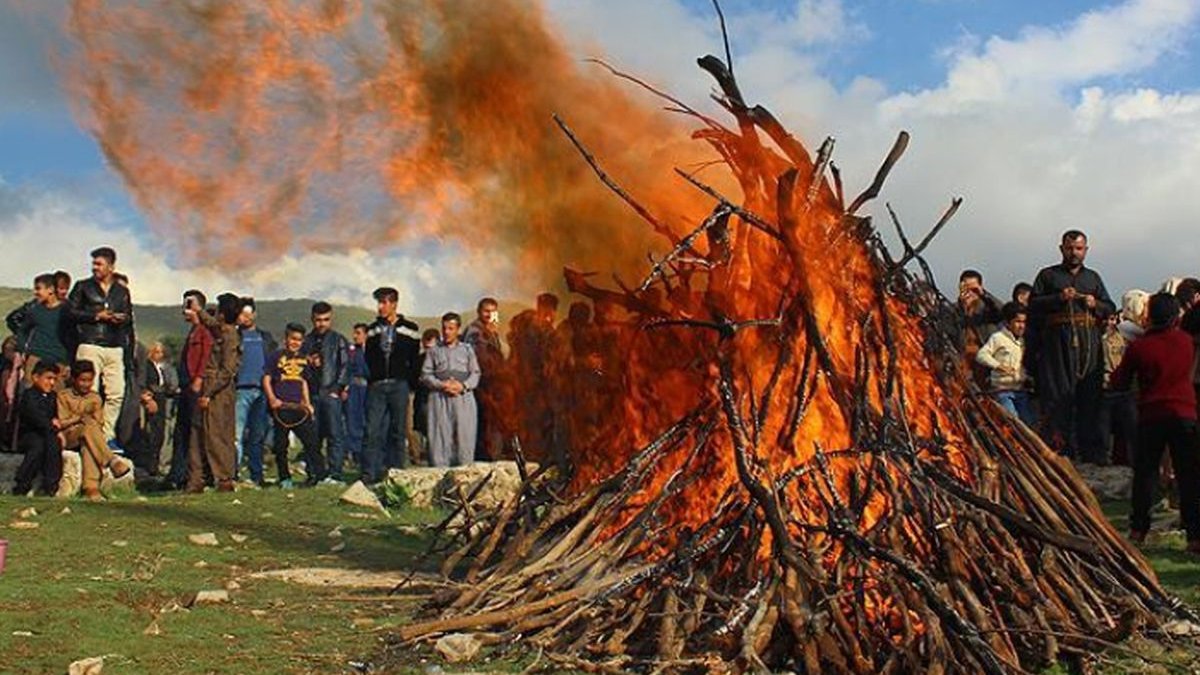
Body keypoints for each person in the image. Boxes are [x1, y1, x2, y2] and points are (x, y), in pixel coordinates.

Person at [1111, 293, 1200, 553]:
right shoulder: (1185, 341)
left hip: (1151, 415)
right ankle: (1195, 537)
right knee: (1188, 475)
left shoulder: (1140, 347)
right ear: (1175, 316)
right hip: (1184, 413)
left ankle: (1139, 530)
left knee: (1146, 474)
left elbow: (1120, 381)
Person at [1028, 230, 1115, 462]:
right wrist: (1058, 298)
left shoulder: (1093, 278)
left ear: (1085, 250)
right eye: (1070, 248)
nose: (1074, 253)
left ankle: (1090, 453)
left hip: (1088, 345)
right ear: (1061, 249)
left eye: (1078, 248)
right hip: (1057, 346)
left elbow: (1110, 306)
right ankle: (1059, 452)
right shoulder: (1048, 276)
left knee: (1089, 398)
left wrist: (1095, 303)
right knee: (1058, 398)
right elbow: (1033, 305)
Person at [67, 247, 134, 443]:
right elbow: (70, 312)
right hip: (90, 343)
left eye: (99, 264)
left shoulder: (122, 292)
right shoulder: (83, 286)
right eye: (93, 263)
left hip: (114, 347)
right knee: (89, 391)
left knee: (116, 393)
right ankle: (87, 433)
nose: (94, 267)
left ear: (111, 266)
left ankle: (106, 435)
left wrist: (120, 322)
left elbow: (130, 321)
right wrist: (96, 316)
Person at [361, 287, 420, 484]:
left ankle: (396, 473)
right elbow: (367, 358)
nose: (380, 307)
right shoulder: (372, 330)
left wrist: (409, 383)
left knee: (398, 430)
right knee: (372, 430)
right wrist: (372, 379)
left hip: (399, 385)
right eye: (379, 302)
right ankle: (370, 473)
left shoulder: (410, 328)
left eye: (384, 302)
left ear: (394, 304)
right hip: (377, 386)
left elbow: (414, 361)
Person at [184, 293, 242, 494]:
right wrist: (198, 309)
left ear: (224, 315)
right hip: (213, 388)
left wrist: (208, 393)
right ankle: (197, 479)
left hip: (217, 390)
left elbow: (227, 370)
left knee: (216, 434)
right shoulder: (223, 330)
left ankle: (224, 478)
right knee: (199, 433)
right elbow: (210, 322)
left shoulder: (229, 336)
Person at [57, 360, 133, 501]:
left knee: (88, 442)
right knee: (87, 428)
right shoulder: (63, 396)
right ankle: (111, 460)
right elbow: (61, 422)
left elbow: (99, 423)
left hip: (89, 435)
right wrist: (78, 418)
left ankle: (91, 488)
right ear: (74, 379)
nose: (86, 384)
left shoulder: (95, 398)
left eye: (89, 381)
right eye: (82, 380)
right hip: (69, 435)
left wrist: (88, 420)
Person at [421, 313, 481, 467]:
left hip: (463, 397)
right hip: (439, 397)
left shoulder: (467, 350)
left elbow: (476, 373)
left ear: (458, 330)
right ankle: (440, 474)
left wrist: (463, 386)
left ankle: (465, 473)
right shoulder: (434, 351)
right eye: (444, 328)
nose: (447, 332)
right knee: (439, 437)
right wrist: (442, 385)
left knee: (465, 436)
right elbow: (425, 374)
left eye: (451, 328)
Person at [264, 323, 320, 488]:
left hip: (298, 409)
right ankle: (284, 477)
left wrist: (307, 404)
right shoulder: (275, 356)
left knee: (311, 442)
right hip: (281, 408)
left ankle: (315, 475)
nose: (295, 343)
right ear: (286, 339)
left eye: (299, 340)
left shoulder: (304, 359)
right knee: (281, 446)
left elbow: (303, 382)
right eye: (293, 339)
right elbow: (266, 379)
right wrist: (272, 399)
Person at [302, 301, 350, 483]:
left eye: (326, 319)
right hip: (312, 394)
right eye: (318, 320)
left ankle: (335, 473)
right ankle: (314, 473)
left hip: (331, 393)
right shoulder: (306, 342)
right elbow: (298, 369)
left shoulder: (338, 340)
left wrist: (337, 389)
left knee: (335, 435)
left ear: (331, 319)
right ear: (312, 319)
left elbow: (345, 366)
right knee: (312, 437)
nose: (322, 323)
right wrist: (308, 363)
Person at [168, 290, 211, 488]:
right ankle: (178, 475)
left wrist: (199, 378)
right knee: (182, 431)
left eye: (188, 305)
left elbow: (206, 355)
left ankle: (195, 474)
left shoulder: (204, 330)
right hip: (186, 386)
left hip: (195, 385)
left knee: (195, 430)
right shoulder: (193, 331)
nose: (184, 310)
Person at [234, 299, 275, 485]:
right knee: (237, 435)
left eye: (249, 313)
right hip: (240, 390)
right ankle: (233, 474)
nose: (246, 317)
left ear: (255, 314)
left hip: (262, 391)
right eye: (243, 314)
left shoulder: (265, 338)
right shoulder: (234, 336)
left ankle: (256, 476)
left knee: (258, 435)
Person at [975, 302, 1035, 427]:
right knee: (1012, 421)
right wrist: (998, 365)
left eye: (1024, 322)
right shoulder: (998, 338)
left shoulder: (1024, 341)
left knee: (1029, 423)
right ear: (1008, 323)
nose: (1021, 326)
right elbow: (981, 355)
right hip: (1002, 390)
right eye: (1018, 322)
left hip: (1020, 390)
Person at [5, 273, 69, 385]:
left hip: (59, 359)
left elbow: (73, 337)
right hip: (36, 358)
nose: (35, 292)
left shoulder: (67, 310)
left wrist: (69, 362)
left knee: (56, 395)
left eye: (39, 289)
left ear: (51, 289)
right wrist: (22, 349)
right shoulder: (34, 310)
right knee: (29, 391)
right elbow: (22, 330)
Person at [464, 297, 505, 460]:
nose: (489, 314)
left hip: (493, 384)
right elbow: (480, 357)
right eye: (486, 311)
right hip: (482, 383)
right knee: (484, 422)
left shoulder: (491, 331)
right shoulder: (475, 331)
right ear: (479, 312)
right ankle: (484, 456)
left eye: (492, 311)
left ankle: (490, 454)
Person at [12, 362, 61, 496]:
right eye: (48, 378)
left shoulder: (52, 397)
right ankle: (22, 483)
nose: (51, 383)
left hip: (47, 433)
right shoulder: (29, 396)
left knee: (52, 444)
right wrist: (52, 425)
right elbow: (36, 418)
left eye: (54, 379)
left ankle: (51, 485)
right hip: (29, 435)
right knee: (38, 446)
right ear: (35, 377)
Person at [140, 341, 178, 477]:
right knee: (152, 432)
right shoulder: (147, 366)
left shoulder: (164, 367)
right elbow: (144, 382)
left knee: (160, 433)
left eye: (161, 352)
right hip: (152, 398)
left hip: (163, 398)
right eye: (156, 351)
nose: (159, 355)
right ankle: (150, 466)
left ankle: (156, 465)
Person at [412, 328, 440, 463]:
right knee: (423, 429)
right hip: (422, 398)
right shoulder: (418, 360)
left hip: (437, 398)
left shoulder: (442, 360)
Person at [345, 322, 370, 467]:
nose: (355, 336)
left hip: (368, 389)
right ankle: (355, 454)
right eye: (354, 333)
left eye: (358, 333)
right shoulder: (352, 351)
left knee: (367, 421)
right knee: (353, 421)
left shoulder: (372, 351)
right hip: (354, 388)